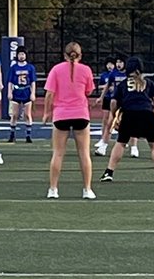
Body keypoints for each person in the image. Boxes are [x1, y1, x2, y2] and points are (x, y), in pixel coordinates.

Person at [100, 57, 154, 184]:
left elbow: (113, 102)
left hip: (129, 115)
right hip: (147, 114)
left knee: (121, 143)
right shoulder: (148, 83)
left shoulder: (123, 84)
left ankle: (109, 172)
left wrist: (114, 116)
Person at [42, 42, 96, 200]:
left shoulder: (56, 70)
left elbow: (49, 94)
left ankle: (53, 189)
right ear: (80, 55)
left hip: (61, 115)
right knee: (84, 154)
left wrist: (46, 112)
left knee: (58, 154)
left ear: (64, 55)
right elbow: (88, 90)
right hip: (81, 114)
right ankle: (87, 189)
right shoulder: (86, 70)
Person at [6, 46, 37, 143]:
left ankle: (28, 135)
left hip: (26, 91)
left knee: (27, 114)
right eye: (20, 54)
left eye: (23, 54)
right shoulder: (14, 68)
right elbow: (10, 81)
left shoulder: (30, 67)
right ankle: (12, 134)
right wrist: (9, 92)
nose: (21, 56)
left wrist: (33, 93)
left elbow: (33, 81)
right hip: (16, 91)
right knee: (14, 114)